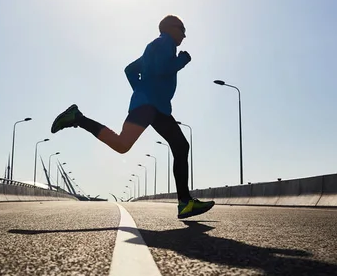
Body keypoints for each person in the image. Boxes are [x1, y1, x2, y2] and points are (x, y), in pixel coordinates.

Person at [50, 15, 215, 219]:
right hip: (150, 106)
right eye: (182, 29)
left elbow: (130, 70)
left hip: (154, 107)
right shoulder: (166, 43)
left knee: (175, 146)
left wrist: (142, 90)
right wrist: (182, 60)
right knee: (132, 145)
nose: (184, 35)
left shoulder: (154, 46)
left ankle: (185, 202)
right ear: (171, 28)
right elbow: (162, 69)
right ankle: (78, 118)